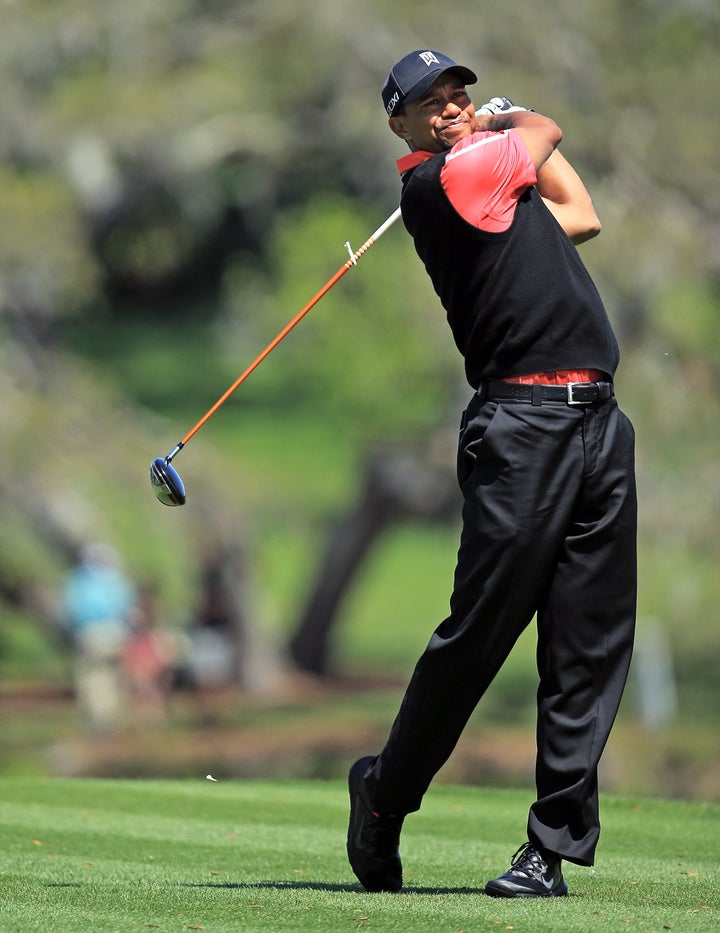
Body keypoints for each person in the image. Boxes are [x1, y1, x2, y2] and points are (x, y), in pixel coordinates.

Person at [346, 50, 637, 899]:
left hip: (597, 423)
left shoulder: (489, 176)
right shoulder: (445, 182)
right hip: (523, 429)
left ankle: (548, 851)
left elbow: (579, 213)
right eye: (428, 103)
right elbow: (546, 131)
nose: (450, 107)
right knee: (478, 635)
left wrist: (502, 130)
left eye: (457, 93)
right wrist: (510, 118)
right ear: (399, 126)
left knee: (589, 641)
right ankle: (384, 793)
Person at [61, 543, 136, 733]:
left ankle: (100, 721)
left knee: (93, 678)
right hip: (115, 633)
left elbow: (70, 610)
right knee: (110, 677)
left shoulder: (79, 582)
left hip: (91, 634)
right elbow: (129, 610)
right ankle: (110, 719)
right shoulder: (117, 581)